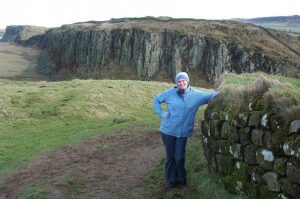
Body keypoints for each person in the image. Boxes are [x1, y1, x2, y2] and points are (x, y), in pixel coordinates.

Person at [153, 72, 220, 188]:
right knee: (170, 157)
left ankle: (182, 178)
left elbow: (210, 96)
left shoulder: (196, 95)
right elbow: (156, 100)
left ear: (187, 81)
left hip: (183, 133)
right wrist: (161, 113)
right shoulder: (169, 93)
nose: (181, 83)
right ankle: (171, 181)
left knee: (179, 157)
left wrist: (226, 91)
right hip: (167, 131)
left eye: (183, 80)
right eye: (179, 81)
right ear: (176, 83)